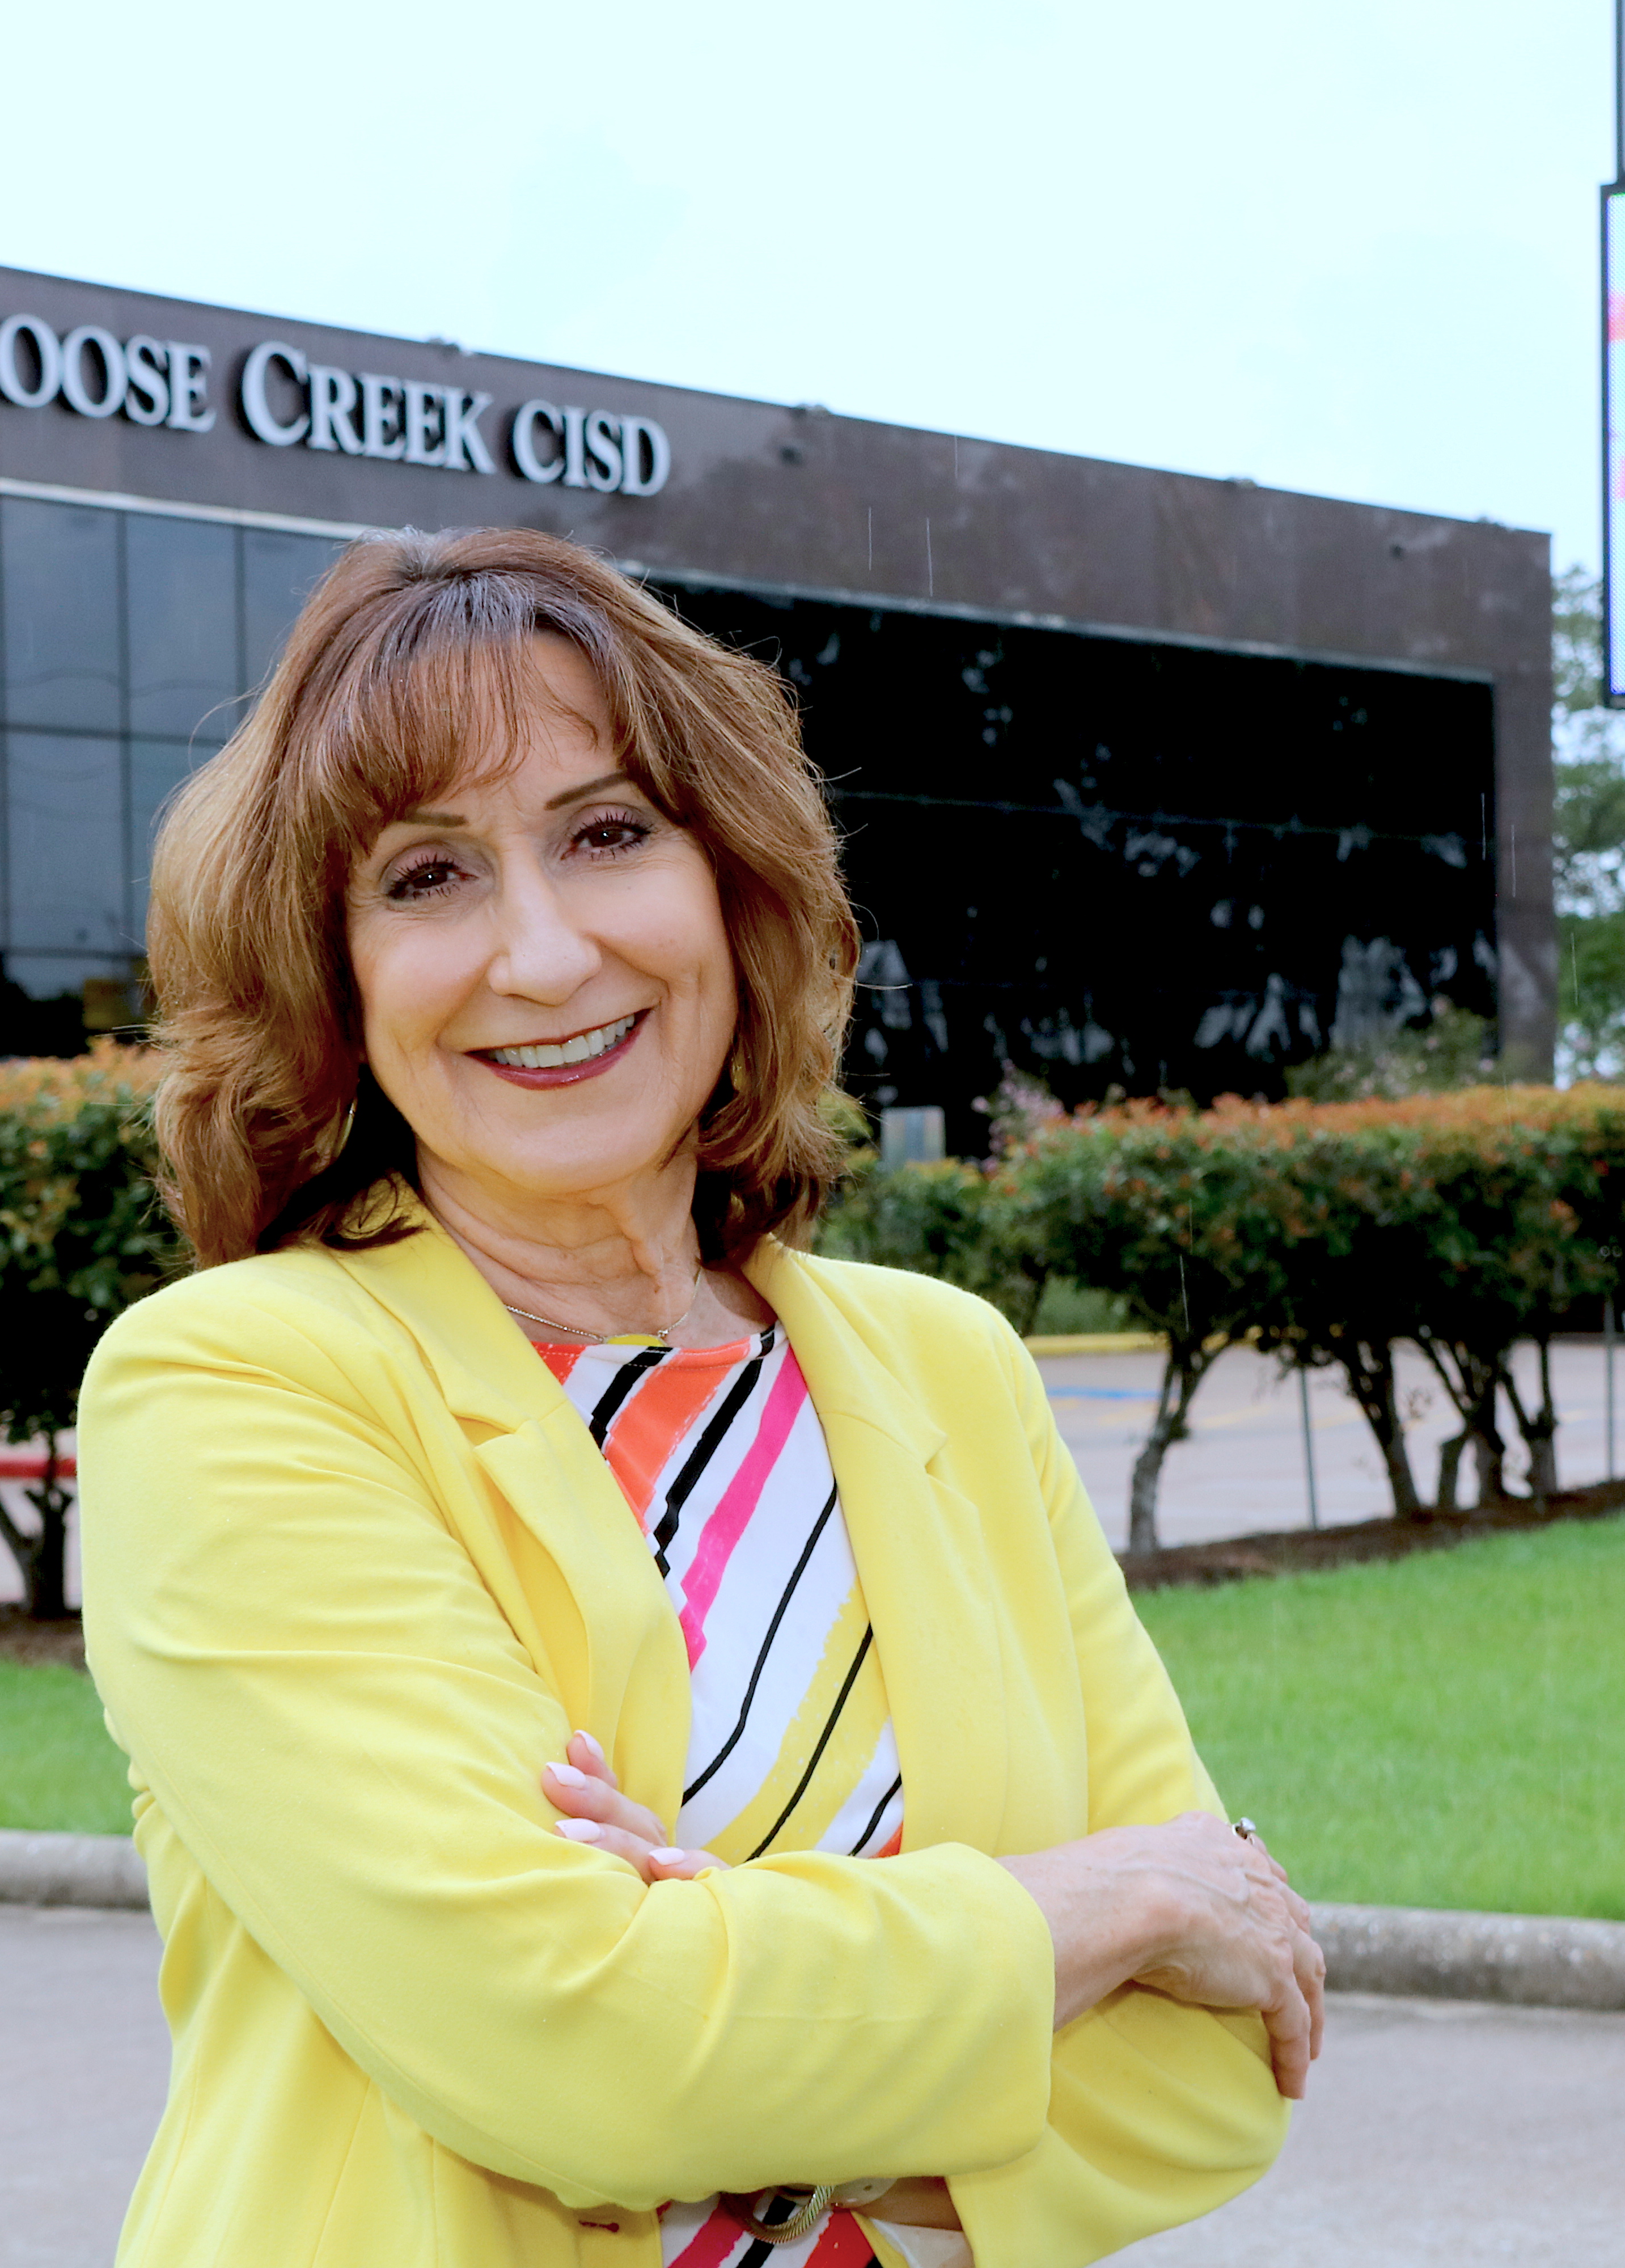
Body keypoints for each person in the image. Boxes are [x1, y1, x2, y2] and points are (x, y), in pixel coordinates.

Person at [78, 527, 1320, 2268]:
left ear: (732, 885)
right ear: (334, 983)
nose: (542, 951)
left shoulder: (947, 1365)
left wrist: (731, 1991)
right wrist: (1101, 1908)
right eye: (427, 877)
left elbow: (1214, 2074)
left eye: (605, 834)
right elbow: (571, 2049)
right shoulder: (236, 1389)